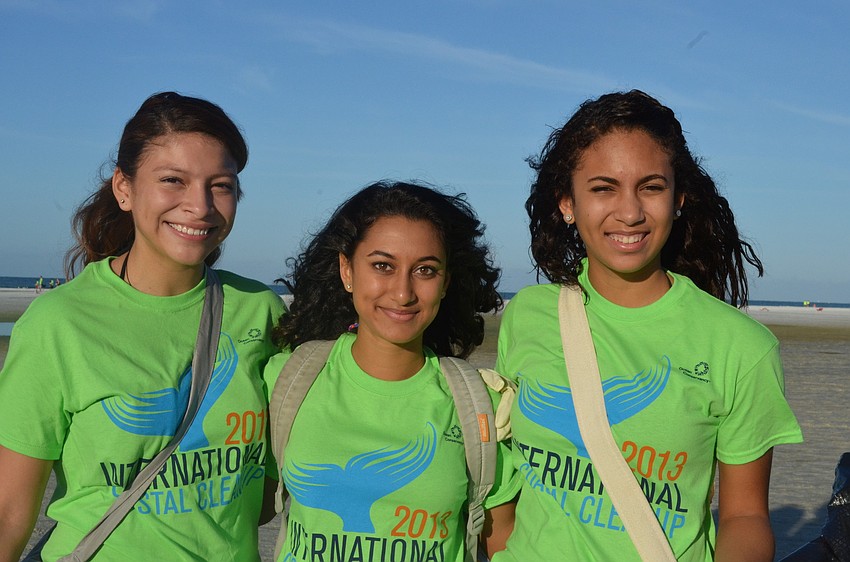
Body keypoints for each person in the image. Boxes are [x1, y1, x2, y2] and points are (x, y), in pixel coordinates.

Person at [493, 90, 803, 561]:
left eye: (651, 187)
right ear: (567, 203)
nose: (630, 212)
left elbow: (745, 517)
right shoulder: (528, 314)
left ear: (678, 199)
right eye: (603, 188)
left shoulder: (741, 346)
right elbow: (505, 476)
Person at [0, 92, 285, 561]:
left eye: (220, 185)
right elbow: (10, 512)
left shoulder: (260, 310)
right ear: (124, 189)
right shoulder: (59, 323)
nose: (199, 205)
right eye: (173, 180)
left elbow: (270, 484)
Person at [266, 180, 520, 562]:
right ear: (347, 270)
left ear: (446, 283)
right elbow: (239, 507)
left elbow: (506, 547)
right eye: (383, 266)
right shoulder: (288, 381)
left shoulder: (482, 407)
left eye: (425, 270)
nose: (403, 293)